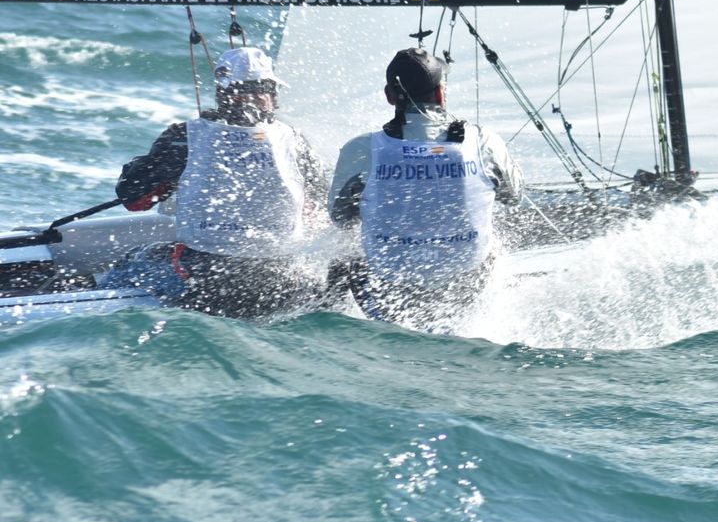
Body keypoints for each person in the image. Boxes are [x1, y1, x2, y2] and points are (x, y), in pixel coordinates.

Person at [113, 46, 329, 317]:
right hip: (280, 281)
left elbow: (133, 199)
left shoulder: (184, 138)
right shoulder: (295, 142)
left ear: (222, 94)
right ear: (272, 94)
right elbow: (320, 210)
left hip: (207, 279)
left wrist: (162, 175)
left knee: (130, 261)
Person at [328, 47, 523, 324]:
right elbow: (513, 196)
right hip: (467, 288)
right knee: (493, 247)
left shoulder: (361, 149)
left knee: (343, 256)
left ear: (389, 96)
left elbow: (340, 217)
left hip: (388, 294)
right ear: (441, 94)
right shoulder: (482, 141)